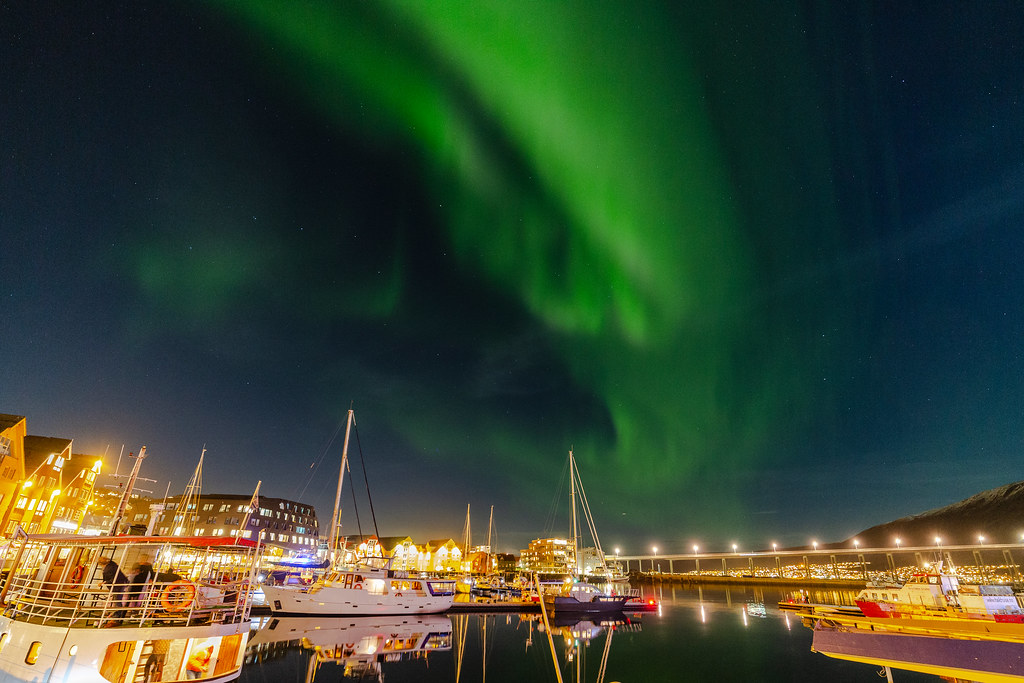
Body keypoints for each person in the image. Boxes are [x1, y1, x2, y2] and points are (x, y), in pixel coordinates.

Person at [97, 556, 128, 624]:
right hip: (120, 585)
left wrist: (104, 582)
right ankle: (117, 617)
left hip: (117, 586)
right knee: (117, 601)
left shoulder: (109, 568)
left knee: (117, 602)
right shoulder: (113, 565)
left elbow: (113, 578)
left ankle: (116, 618)